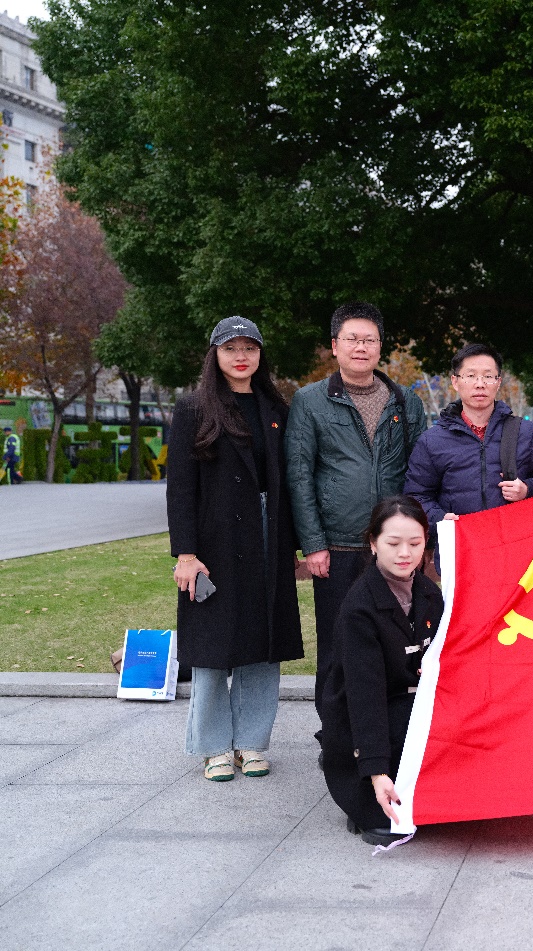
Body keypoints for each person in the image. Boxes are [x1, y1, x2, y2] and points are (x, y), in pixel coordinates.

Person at [166, 317, 304, 782]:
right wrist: (186, 553)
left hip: (268, 536)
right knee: (213, 645)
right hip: (216, 542)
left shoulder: (276, 408)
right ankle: (213, 747)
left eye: (250, 347)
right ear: (215, 355)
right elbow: (180, 487)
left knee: (263, 643)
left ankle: (251, 742)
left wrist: (297, 545)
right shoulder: (193, 408)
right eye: (230, 348)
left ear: (261, 354)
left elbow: (287, 481)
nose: (241, 356)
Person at [286, 302, 427, 726]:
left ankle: (387, 731)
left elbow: (420, 473)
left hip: (393, 548)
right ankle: (334, 735)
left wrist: (418, 543)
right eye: (352, 339)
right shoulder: (310, 401)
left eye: (369, 340)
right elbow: (299, 475)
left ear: (380, 347)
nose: (361, 347)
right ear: (335, 346)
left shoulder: (406, 401)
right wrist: (314, 544)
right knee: (337, 645)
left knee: (396, 644)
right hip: (337, 546)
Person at [320, 495, 444, 846]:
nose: (405, 553)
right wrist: (376, 772)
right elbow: (364, 698)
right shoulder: (359, 608)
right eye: (393, 543)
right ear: (373, 544)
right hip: (366, 717)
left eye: (415, 543)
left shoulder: (429, 593)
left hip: (411, 707)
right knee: (385, 818)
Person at [404, 343, 533, 548]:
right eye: (471, 376)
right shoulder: (433, 440)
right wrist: (440, 519)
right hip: (459, 548)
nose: (480, 384)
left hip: (516, 546)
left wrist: (527, 489)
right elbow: (416, 496)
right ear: (455, 382)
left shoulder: (524, 432)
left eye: (488, 376)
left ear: (498, 382)